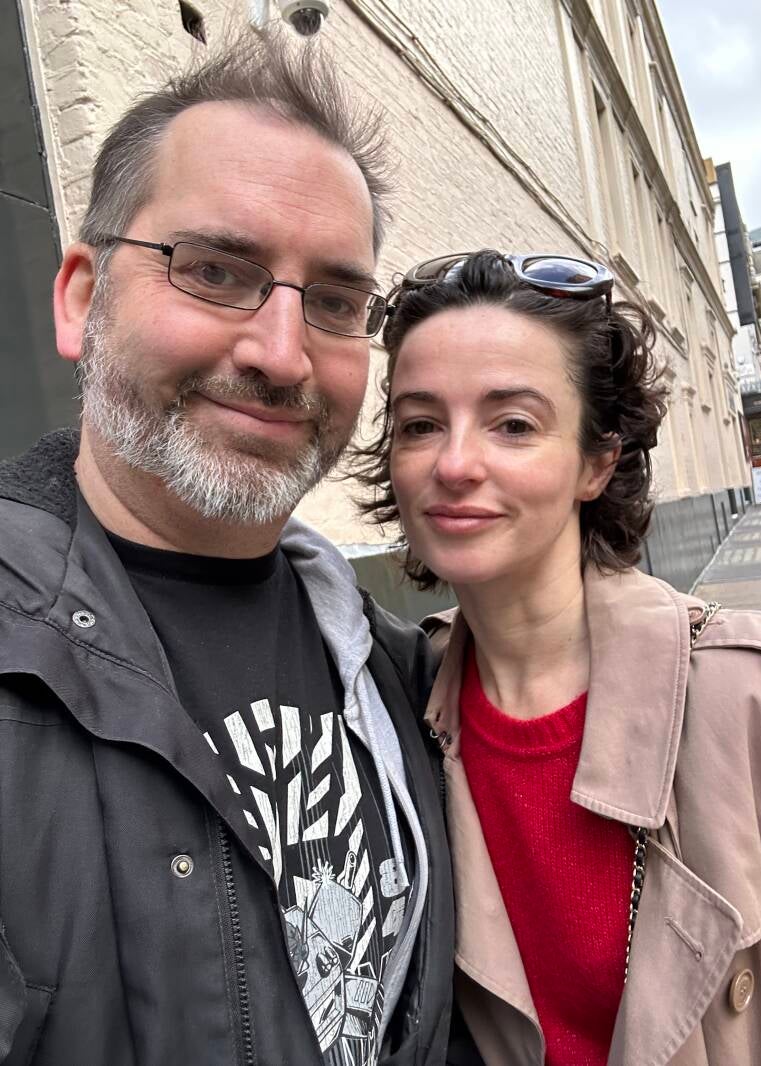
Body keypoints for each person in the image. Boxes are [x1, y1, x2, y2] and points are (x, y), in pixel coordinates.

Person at [0, 31, 454, 1066]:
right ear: (82, 298)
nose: (282, 354)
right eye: (213, 271)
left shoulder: (400, 676)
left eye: (334, 302)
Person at [355, 249, 761, 1065]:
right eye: (420, 424)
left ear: (597, 462)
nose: (455, 464)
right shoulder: (394, 705)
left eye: (513, 424)